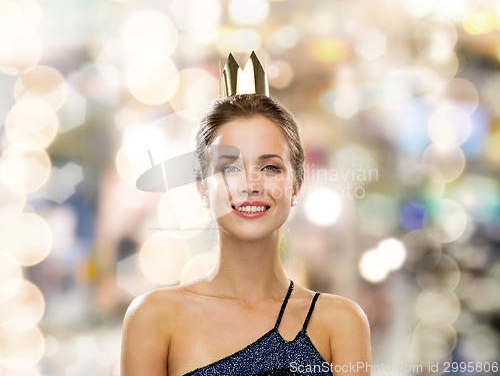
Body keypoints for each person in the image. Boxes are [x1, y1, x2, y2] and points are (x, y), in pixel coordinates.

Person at [121, 53, 371, 376]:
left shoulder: (341, 323)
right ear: (201, 187)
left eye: (270, 167)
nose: (251, 185)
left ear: (296, 185)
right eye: (229, 168)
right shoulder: (154, 318)